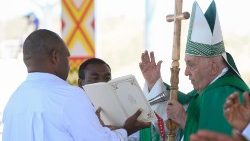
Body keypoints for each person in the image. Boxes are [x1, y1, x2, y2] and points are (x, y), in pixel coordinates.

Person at [2, 29, 150, 141]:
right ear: (55, 57)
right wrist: (126, 130)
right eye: (67, 58)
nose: (69, 64)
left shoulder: (13, 101)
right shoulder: (70, 96)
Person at [139, 1, 249, 141]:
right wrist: (154, 83)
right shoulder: (205, 93)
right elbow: (176, 112)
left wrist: (184, 119)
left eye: (192, 65)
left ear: (214, 67)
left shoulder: (226, 95)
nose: (186, 72)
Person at [77, 58, 153, 141]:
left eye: (107, 78)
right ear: (81, 84)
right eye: (95, 78)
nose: (102, 82)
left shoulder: (124, 110)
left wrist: (123, 130)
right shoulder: (75, 112)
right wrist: (124, 130)